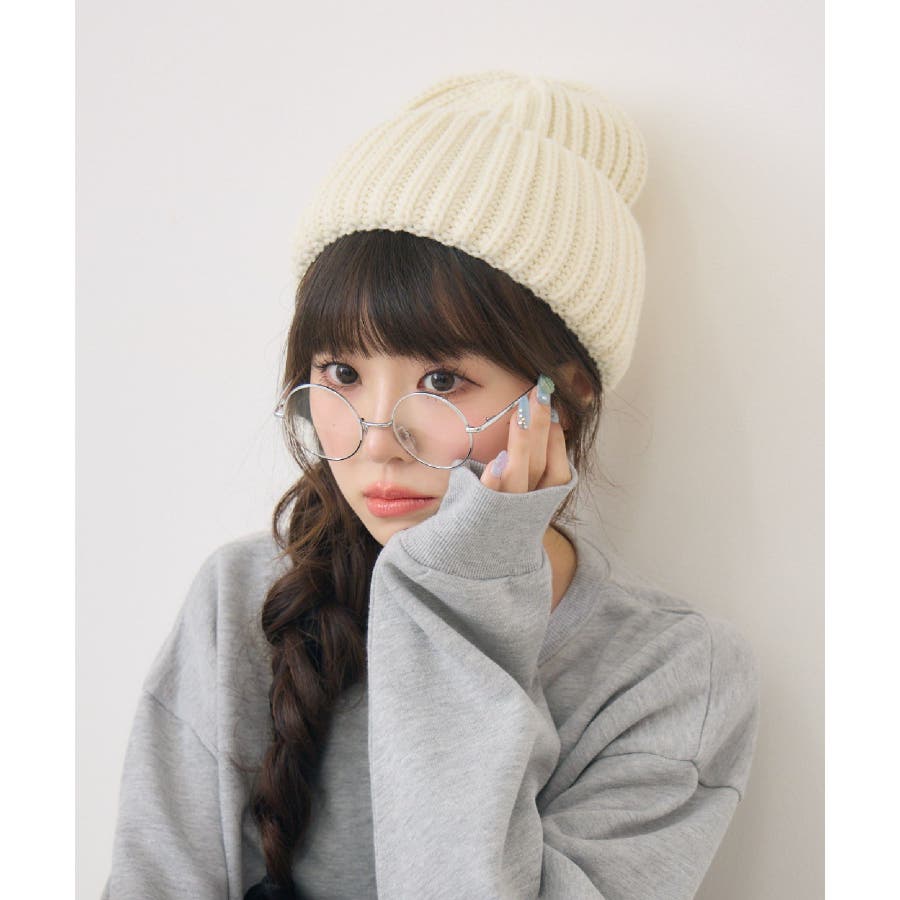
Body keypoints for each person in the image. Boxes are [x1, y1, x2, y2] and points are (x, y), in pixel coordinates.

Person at [102, 70, 760, 900]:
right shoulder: (246, 601)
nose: (378, 439)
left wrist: (468, 592)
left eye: (443, 380)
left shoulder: (668, 674)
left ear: (565, 395)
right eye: (342, 372)